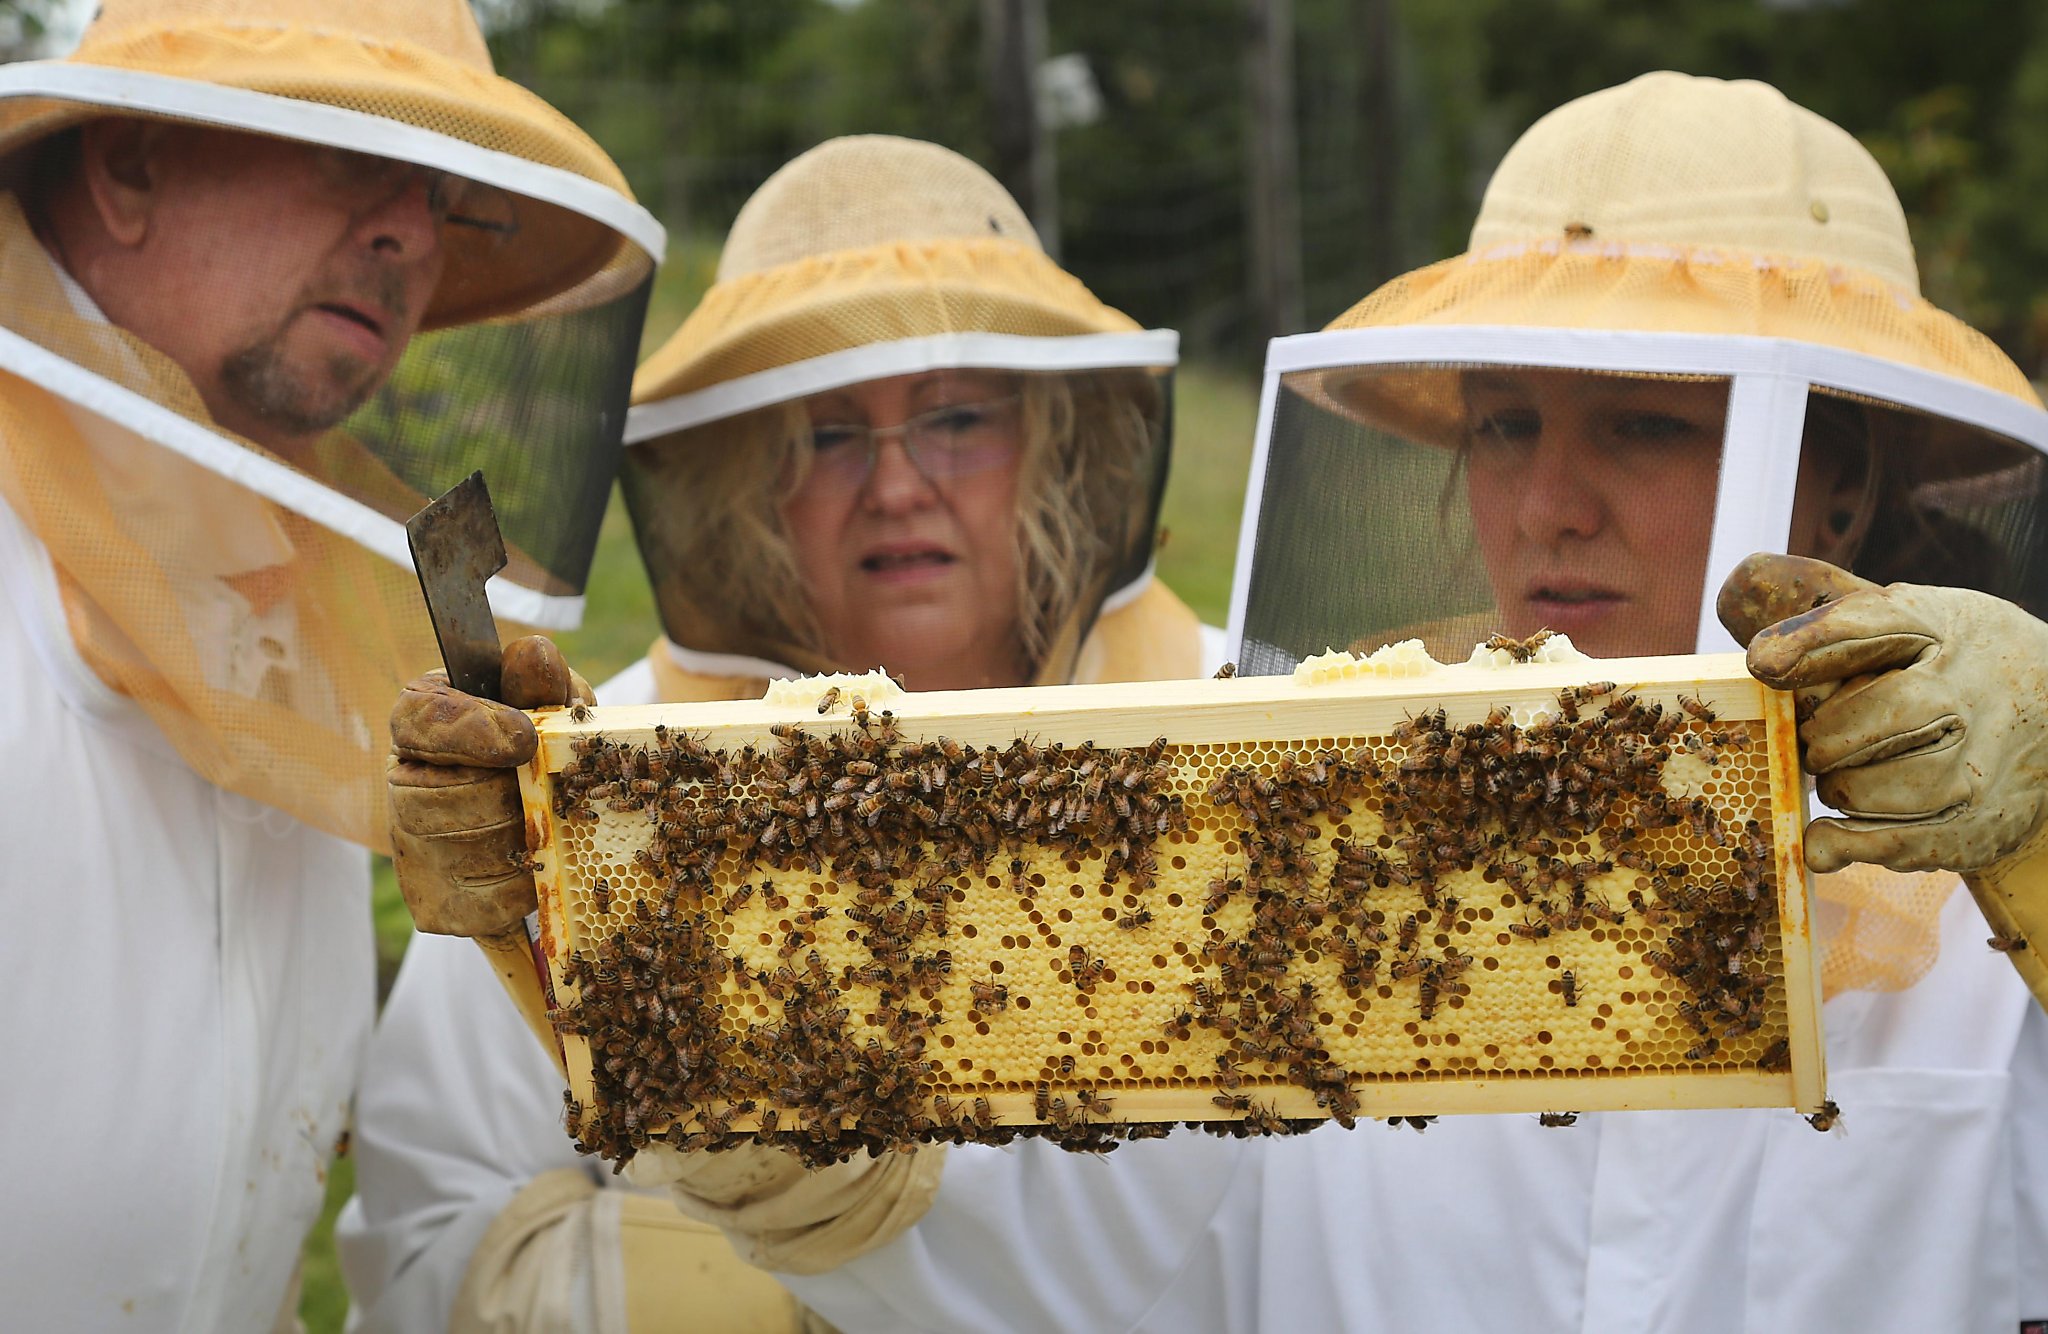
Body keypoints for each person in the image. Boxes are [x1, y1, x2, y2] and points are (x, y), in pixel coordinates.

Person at [572, 73, 2047, 1330]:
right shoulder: (1322, 863)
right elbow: (1103, 1258)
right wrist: (814, 1143)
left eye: (1647, 427)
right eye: (1506, 424)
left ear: (1837, 482)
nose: (1546, 506)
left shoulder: (1997, 921)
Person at [344, 135, 1222, 1331]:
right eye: (824, 432)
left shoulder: (1241, 727)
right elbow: (429, 1233)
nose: (898, 483)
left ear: (1057, 440)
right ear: (740, 472)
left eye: (956, 416)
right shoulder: (588, 766)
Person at [0, 2, 659, 1328]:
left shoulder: (306, 589)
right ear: (130, 162)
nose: (414, 233)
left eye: (440, 191)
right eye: (359, 151)